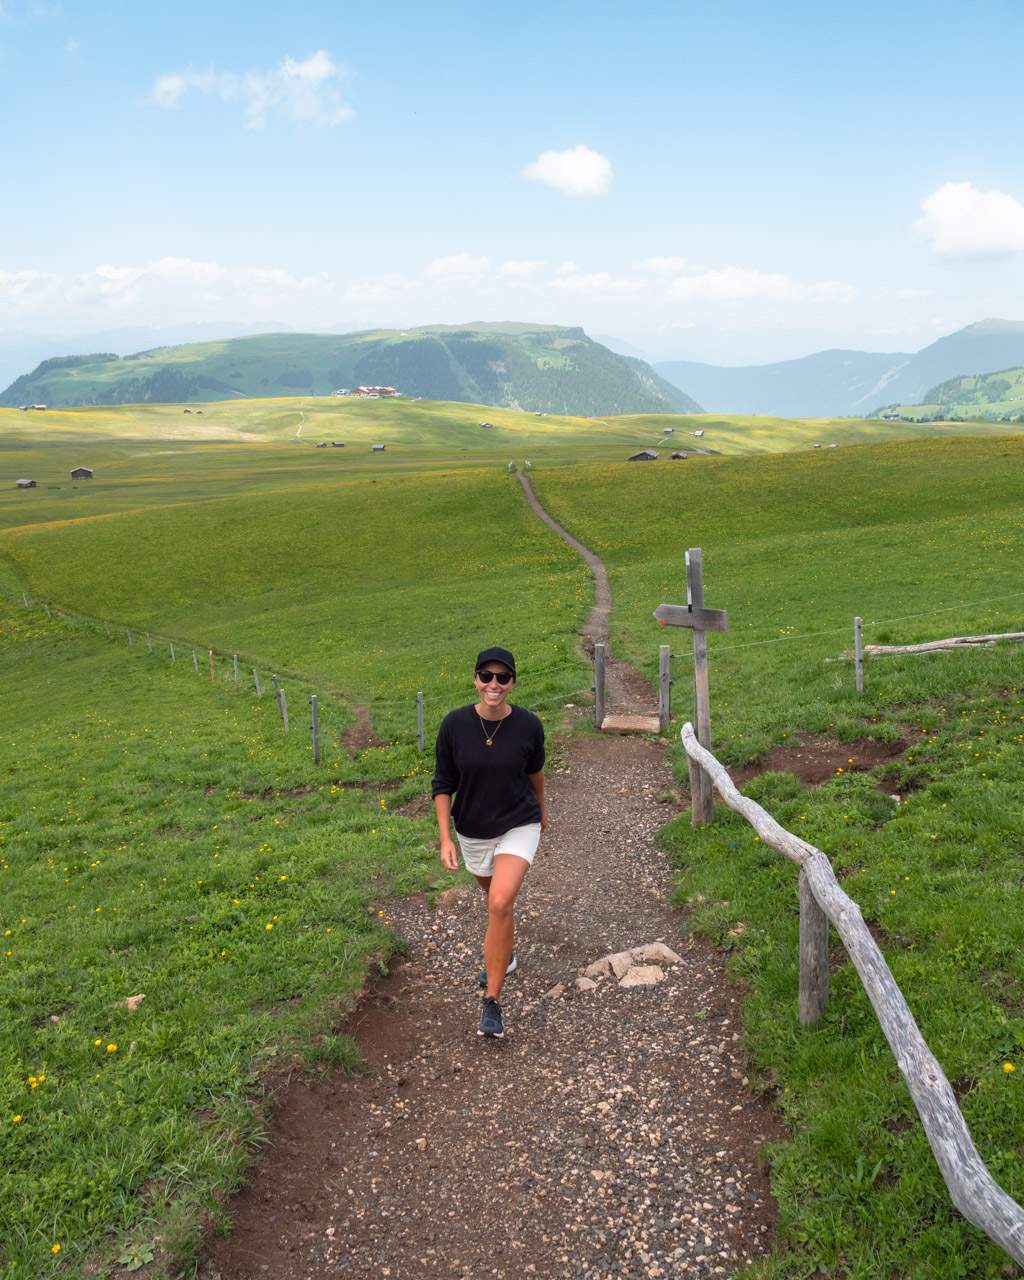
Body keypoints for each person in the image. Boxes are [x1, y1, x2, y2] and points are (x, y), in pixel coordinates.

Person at [432, 646, 547, 1039]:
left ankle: (492, 1002)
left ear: (513, 683)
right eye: (487, 676)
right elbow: (443, 785)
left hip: (519, 823)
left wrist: (543, 813)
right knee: (496, 902)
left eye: (503, 677)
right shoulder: (454, 725)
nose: (494, 684)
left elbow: (537, 775)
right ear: (475, 679)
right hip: (472, 831)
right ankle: (506, 955)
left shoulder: (529, 725)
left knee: (499, 902)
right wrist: (446, 837)